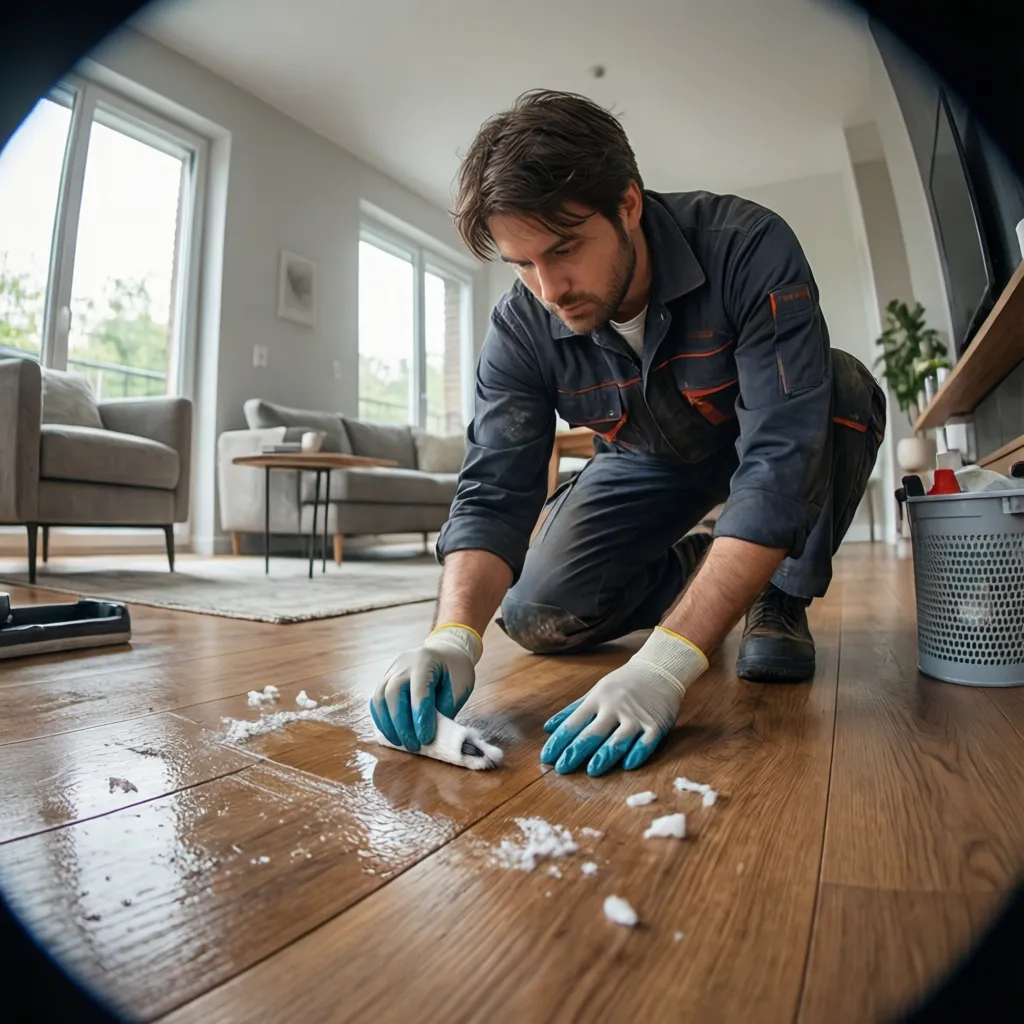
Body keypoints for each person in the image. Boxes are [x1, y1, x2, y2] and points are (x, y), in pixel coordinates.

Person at [370, 89, 886, 778]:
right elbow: (494, 488)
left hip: (756, 446)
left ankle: (778, 593)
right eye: (522, 263)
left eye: (564, 249)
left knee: (844, 386)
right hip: (646, 460)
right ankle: (705, 565)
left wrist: (667, 664)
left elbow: (777, 466)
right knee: (536, 614)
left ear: (629, 205)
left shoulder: (749, 247)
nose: (549, 288)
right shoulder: (521, 326)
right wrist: (453, 637)